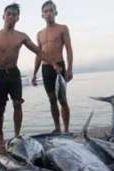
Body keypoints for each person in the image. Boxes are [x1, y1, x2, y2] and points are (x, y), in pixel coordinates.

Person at [0, 3, 40, 150]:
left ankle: (17, 135)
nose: (11, 16)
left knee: (17, 104)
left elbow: (38, 51)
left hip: (13, 73)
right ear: (3, 16)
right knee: (0, 108)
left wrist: (53, 62)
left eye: (14, 14)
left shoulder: (21, 36)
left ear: (18, 18)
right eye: (9, 13)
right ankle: (0, 136)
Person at [32, 1, 73, 133]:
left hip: (59, 67)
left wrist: (69, 68)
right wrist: (34, 73)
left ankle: (66, 130)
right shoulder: (39, 34)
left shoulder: (62, 28)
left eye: (51, 10)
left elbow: (69, 49)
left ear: (55, 12)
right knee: (52, 100)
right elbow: (39, 54)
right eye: (46, 11)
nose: (48, 13)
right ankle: (57, 128)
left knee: (62, 99)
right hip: (46, 69)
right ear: (42, 15)